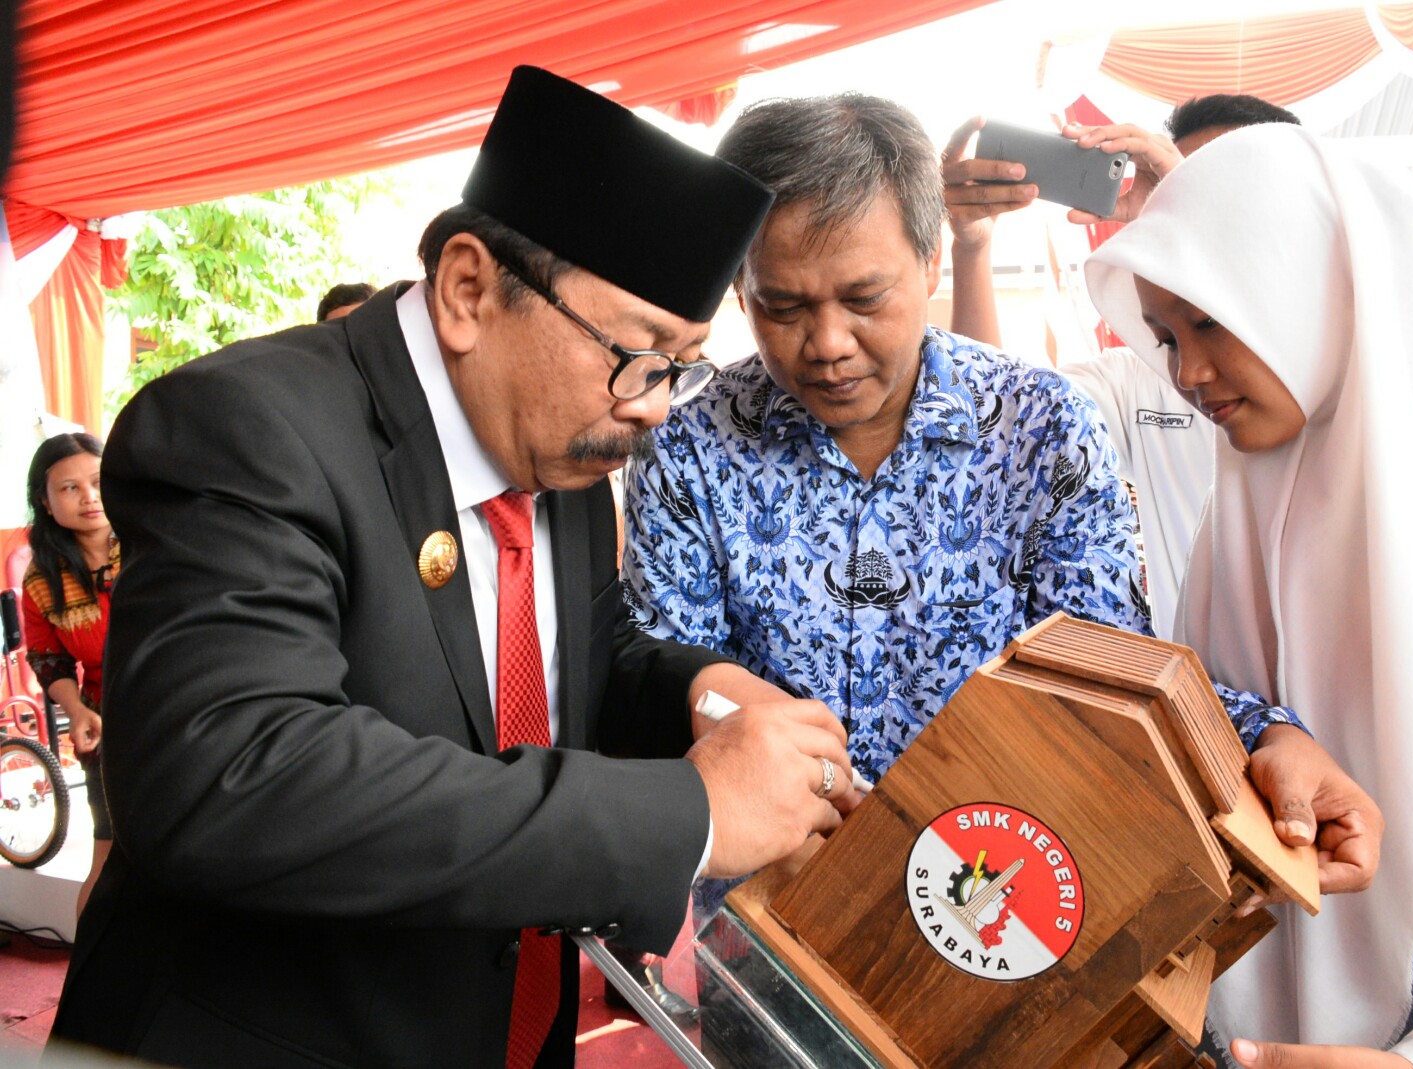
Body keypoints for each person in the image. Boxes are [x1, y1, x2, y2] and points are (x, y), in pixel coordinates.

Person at [48, 66, 860, 1069]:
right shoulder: (246, 429)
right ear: (470, 289)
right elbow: (238, 767)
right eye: (637, 353)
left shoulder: (560, 448)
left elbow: (562, 658)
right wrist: (687, 814)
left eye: (678, 366)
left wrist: (696, 693)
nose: (653, 404)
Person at [622, 93, 1379, 909]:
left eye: (864, 298)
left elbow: (1112, 673)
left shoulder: (1044, 431)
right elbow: (663, 680)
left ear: (931, 262)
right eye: (784, 306)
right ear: (740, 288)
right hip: (766, 917)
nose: (828, 343)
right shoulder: (687, 445)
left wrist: (1270, 734)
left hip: (998, 908)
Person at [1085, 123, 1413, 1069]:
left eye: (1213, 322)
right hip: (1251, 998)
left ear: (1312, 286)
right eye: (1165, 335)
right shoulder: (1253, 482)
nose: (1189, 374)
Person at [941, 94, 1300, 637]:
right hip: (1201, 708)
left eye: (1213, 191)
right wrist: (971, 249)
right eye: (1173, 189)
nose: (1192, 376)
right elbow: (992, 420)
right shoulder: (1142, 381)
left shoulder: (1369, 382)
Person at [20, 431, 117, 915]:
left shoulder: (161, 543)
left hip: (190, 710)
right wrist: (77, 709)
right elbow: (48, 658)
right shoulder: (42, 579)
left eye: (98, 482)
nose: (90, 498)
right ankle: (87, 982)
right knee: (109, 851)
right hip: (107, 722)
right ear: (45, 499)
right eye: (70, 488)